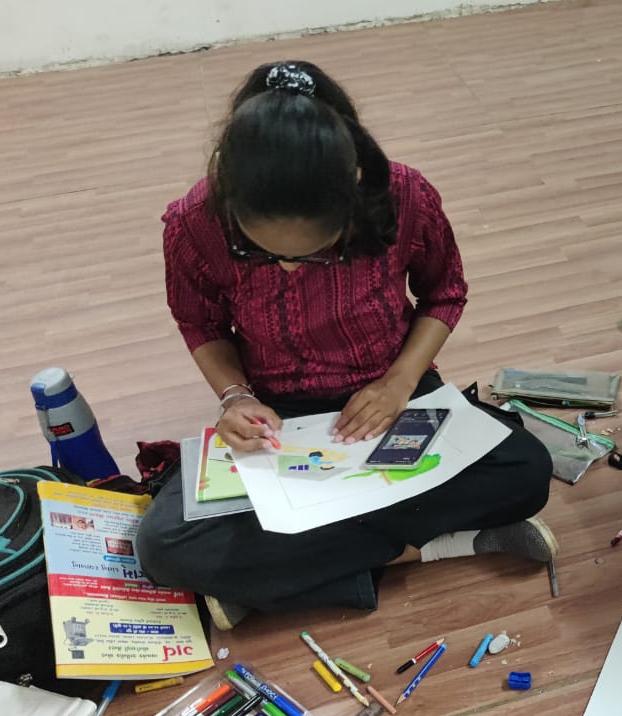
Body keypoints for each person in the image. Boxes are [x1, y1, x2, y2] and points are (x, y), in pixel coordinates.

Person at [136, 61, 556, 630]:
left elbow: (444, 294)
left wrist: (400, 382)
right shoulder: (194, 221)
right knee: (162, 545)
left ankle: (280, 577)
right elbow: (200, 323)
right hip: (280, 413)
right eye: (258, 253)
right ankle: (438, 546)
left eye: (313, 252)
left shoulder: (404, 195)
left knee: (526, 468)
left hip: (395, 390)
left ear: (354, 187)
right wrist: (235, 396)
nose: (287, 268)